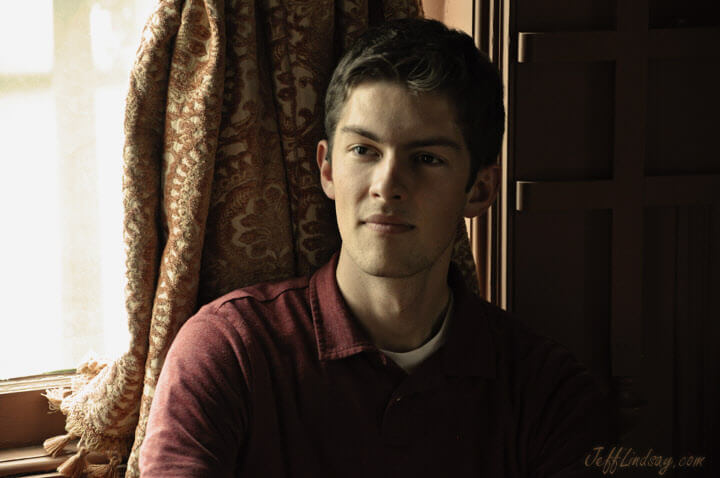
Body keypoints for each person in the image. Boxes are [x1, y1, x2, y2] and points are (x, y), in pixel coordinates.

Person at [140, 18, 610, 477]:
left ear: (480, 190)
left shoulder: (546, 390)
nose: (387, 186)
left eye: (426, 158)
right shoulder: (229, 352)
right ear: (327, 170)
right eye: (364, 150)